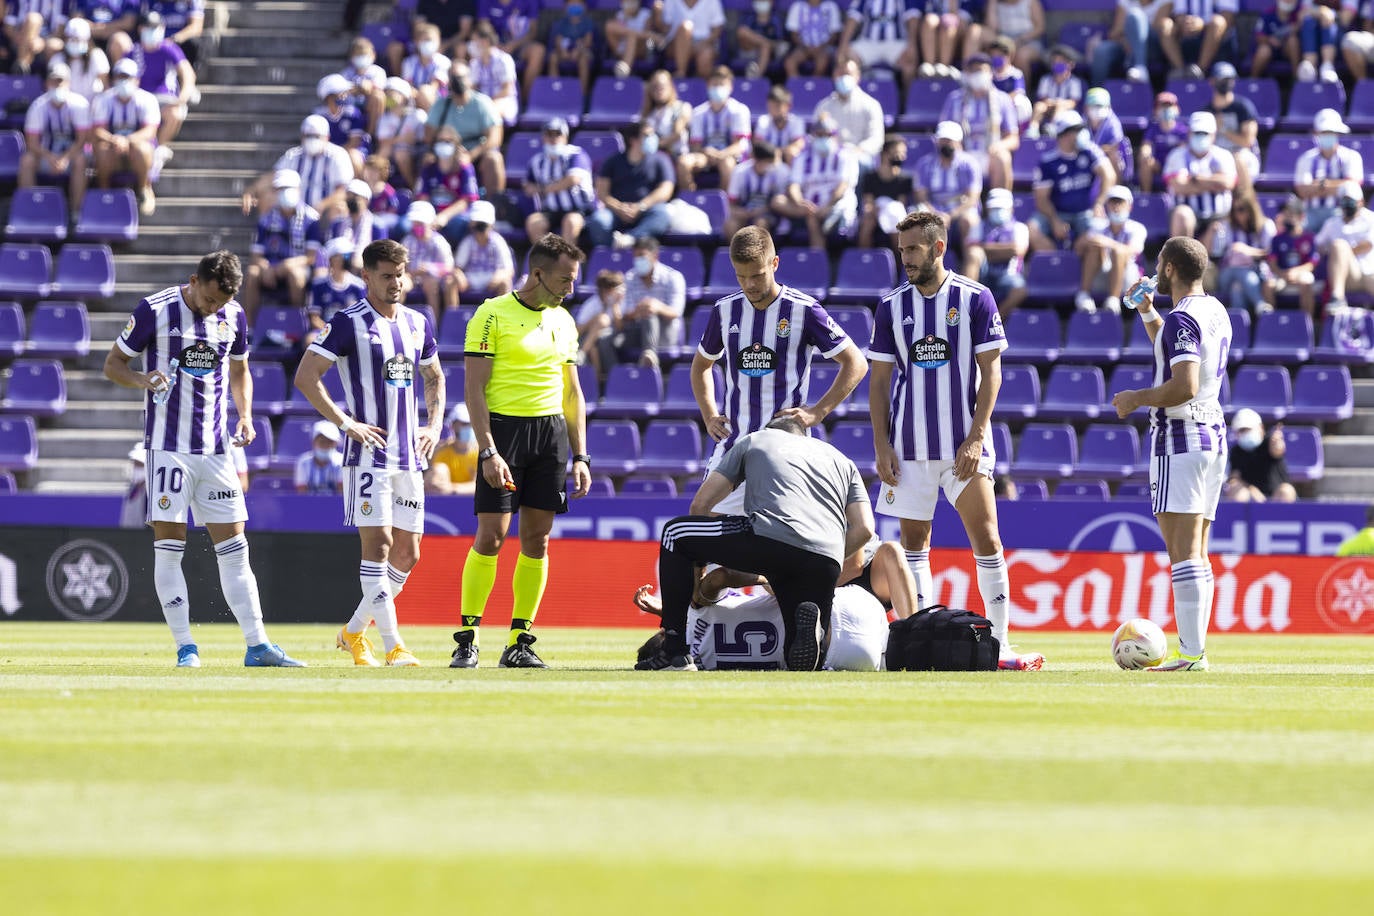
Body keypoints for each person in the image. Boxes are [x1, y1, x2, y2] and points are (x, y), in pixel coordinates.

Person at [102, 250, 304, 669]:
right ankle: (185, 648)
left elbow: (240, 371)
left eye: (222, 302)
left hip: (216, 452)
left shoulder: (234, 316)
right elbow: (113, 364)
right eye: (210, 299)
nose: (214, 308)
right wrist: (142, 378)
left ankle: (258, 645)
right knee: (170, 549)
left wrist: (246, 415)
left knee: (235, 550)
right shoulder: (154, 310)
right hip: (168, 449)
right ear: (194, 280)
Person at [868, 210, 1043, 671]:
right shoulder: (891, 307)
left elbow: (992, 373)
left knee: (986, 539)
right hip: (907, 449)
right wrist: (882, 445)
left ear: (939, 247)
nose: (904, 257)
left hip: (964, 447)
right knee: (913, 545)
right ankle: (922, 639)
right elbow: (880, 382)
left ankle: (1000, 644)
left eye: (912, 249)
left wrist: (977, 436)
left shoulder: (975, 298)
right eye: (901, 249)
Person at [294, 238, 443, 669]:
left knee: (409, 552)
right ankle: (394, 645)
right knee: (377, 547)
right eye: (386, 276)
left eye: (400, 275)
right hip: (367, 456)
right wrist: (346, 424)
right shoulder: (347, 323)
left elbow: (434, 376)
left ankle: (354, 630)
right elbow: (307, 376)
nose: (395, 283)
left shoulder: (418, 323)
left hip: (408, 457)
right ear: (367, 277)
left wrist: (432, 425)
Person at [636, 415, 877, 672]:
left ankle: (674, 652)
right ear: (803, 436)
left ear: (771, 429)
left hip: (769, 538)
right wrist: (830, 556)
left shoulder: (757, 439)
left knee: (676, 532)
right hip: (825, 558)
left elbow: (701, 505)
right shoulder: (841, 459)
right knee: (798, 650)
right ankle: (812, 645)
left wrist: (696, 576)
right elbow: (864, 529)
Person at [452, 233, 593, 670]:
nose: (571, 288)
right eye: (565, 279)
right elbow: (473, 389)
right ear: (538, 273)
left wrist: (581, 456)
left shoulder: (564, 321)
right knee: (491, 537)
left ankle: (519, 640)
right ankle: (467, 638)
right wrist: (488, 450)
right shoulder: (491, 315)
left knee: (537, 540)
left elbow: (573, 393)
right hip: (504, 435)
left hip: (549, 436)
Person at [1111, 236, 1234, 671]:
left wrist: (1135, 398)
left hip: (1179, 436)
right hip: (1213, 435)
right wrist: (1147, 312)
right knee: (1198, 551)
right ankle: (1195, 650)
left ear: (1169, 269)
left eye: (1158, 264)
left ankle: (1191, 654)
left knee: (1182, 553)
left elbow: (1182, 384)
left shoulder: (1184, 317)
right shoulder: (1214, 310)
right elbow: (1177, 348)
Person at [691, 226, 867, 517]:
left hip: (786, 450)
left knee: (774, 548)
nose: (749, 285)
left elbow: (856, 363)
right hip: (734, 445)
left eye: (757, 275)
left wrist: (818, 412)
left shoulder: (804, 310)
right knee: (701, 523)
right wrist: (709, 414)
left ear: (774, 264)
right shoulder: (725, 311)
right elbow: (701, 366)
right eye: (741, 276)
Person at [1028, 111, 1116, 269]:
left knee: (1099, 231)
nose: (1081, 133)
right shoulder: (1048, 161)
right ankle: (1057, 264)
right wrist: (1055, 221)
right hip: (1056, 212)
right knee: (1032, 229)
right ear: (1064, 134)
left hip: (1085, 212)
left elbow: (1109, 175)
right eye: (1076, 130)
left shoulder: (1090, 151)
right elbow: (1041, 199)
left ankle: (1074, 263)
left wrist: (1099, 203)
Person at [241, 115, 352, 222]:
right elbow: (272, 177)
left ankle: (331, 239)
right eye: (308, 136)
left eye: (317, 136)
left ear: (327, 137)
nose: (312, 140)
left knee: (340, 207)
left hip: (324, 211)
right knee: (267, 197)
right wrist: (251, 191)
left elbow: (342, 191)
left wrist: (320, 206)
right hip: (294, 209)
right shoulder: (293, 156)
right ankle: (268, 235)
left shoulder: (338, 155)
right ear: (302, 137)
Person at [773, 115, 860, 249]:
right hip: (808, 206)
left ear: (835, 135)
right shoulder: (803, 157)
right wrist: (800, 202)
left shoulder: (845, 156)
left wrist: (827, 206)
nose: (823, 138)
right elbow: (794, 185)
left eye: (827, 134)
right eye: (819, 135)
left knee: (812, 219)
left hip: (834, 205)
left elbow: (843, 186)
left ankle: (818, 258)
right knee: (778, 201)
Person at [244, 170, 321, 318]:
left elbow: (311, 257)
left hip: (298, 266)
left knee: (296, 275)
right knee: (253, 273)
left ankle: (297, 322)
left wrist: (287, 265)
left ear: (298, 189)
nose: (285, 192)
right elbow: (256, 254)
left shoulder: (311, 219)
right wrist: (265, 267)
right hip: (270, 267)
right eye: (281, 189)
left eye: (289, 188)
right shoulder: (265, 219)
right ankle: (250, 327)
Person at [424, 61, 506, 195]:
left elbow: (495, 137)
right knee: (427, 159)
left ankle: (495, 203)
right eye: (454, 78)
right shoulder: (441, 105)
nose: (458, 81)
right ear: (448, 81)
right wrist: (450, 150)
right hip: (448, 151)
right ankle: (429, 200)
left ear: (469, 79)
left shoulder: (481, 103)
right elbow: (429, 136)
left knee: (494, 159)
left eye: (461, 77)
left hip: (477, 151)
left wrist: (471, 154)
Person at [589, 122, 676, 249]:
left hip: (648, 210)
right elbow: (602, 192)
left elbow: (666, 190)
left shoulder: (661, 160)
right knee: (599, 221)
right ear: (633, 140)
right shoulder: (612, 161)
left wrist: (641, 206)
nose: (653, 139)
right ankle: (611, 254)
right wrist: (619, 208)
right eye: (647, 135)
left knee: (663, 214)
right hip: (616, 212)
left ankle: (629, 240)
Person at [91, 56, 160, 215]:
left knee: (142, 149)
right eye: (120, 77)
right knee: (101, 150)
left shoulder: (147, 99)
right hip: (112, 148)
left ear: (136, 80)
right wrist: (115, 140)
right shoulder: (103, 99)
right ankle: (104, 193)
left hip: (135, 149)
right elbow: (97, 130)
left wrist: (127, 140)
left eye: (127, 77)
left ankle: (144, 189)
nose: (123, 81)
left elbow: (150, 131)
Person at [939, 54, 1018, 190]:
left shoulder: (1002, 99)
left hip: (989, 153)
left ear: (990, 73)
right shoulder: (955, 99)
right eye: (973, 71)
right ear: (967, 74)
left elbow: (1013, 138)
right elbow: (944, 133)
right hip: (962, 153)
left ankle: (999, 206)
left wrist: (999, 146)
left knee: (1003, 157)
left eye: (981, 70)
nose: (978, 74)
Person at [19, 62, 90, 210]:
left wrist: (65, 158)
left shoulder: (80, 104)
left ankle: (77, 211)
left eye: (61, 81)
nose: (57, 85)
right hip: (46, 156)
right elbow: (31, 142)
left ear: (69, 83)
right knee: (27, 160)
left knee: (81, 161)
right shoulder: (38, 106)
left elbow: (82, 139)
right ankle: (30, 209)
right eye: (54, 80)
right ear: (46, 83)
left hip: (71, 156)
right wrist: (50, 157)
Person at [128, 10, 194, 158]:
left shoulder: (169, 48)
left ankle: (158, 148)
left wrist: (182, 97)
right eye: (148, 27)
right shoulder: (133, 51)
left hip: (165, 98)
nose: (152, 31)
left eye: (155, 27)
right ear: (140, 29)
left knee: (175, 112)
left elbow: (187, 73)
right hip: (140, 99)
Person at [523, 116, 597, 246]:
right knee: (533, 222)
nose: (553, 138)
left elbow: (573, 179)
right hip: (550, 210)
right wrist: (531, 188)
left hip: (578, 209)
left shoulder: (576, 155)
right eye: (549, 134)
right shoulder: (537, 161)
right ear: (543, 137)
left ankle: (567, 262)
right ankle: (547, 261)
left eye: (558, 134)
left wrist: (543, 189)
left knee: (571, 222)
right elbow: (527, 185)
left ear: (565, 137)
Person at [1164, 111, 1236, 241]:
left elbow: (1227, 183)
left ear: (1213, 135)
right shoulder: (1177, 155)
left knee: (1220, 227)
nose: (1200, 137)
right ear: (1189, 133)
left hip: (1219, 215)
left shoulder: (1223, 156)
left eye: (1205, 133)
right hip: (1190, 214)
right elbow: (1180, 187)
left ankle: (1214, 260)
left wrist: (1195, 179)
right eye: (1197, 133)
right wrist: (1214, 182)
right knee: (1182, 215)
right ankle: (1182, 260)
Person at [679, 65, 751, 192]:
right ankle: (690, 198)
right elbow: (696, 145)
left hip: (729, 156)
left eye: (722, 84)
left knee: (727, 164)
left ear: (730, 87)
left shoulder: (740, 110)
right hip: (705, 155)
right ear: (708, 86)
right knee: (684, 162)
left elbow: (739, 145)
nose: (718, 88)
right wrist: (706, 152)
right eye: (715, 84)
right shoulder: (698, 112)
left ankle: (723, 203)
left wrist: (721, 154)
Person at [1078, 184, 1147, 315]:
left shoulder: (1137, 228)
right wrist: (1089, 239)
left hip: (1128, 279)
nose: (1116, 206)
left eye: (1120, 202)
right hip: (1102, 274)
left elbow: (1133, 250)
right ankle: (1084, 294)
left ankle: (1113, 299)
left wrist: (1107, 243)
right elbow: (1078, 248)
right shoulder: (1097, 226)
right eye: (1113, 202)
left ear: (1129, 206)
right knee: (1093, 248)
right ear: (1107, 205)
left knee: (1118, 252)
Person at [1202, 191, 1274, 315]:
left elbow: (1272, 253)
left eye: (1241, 209)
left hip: (1256, 272)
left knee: (1237, 290)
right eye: (1234, 210)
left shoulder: (1266, 226)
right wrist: (1211, 232)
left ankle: (1243, 331)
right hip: (1227, 273)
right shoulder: (1226, 227)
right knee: (1239, 271)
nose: (1236, 214)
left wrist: (1247, 251)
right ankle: (1259, 304)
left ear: (1251, 209)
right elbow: (1209, 253)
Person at [619, 236, 686, 369]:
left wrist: (656, 306)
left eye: (642, 256)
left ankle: (649, 355)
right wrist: (640, 309)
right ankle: (616, 378)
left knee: (650, 313)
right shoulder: (630, 277)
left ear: (655, 256)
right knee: (607, 340)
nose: (638, 260)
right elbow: (625, 313)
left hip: (666, 333)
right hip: (637, 331)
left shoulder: (673, 277)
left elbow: (676, 312)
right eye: (636, 257)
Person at [962, 186, 1029, 317]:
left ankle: (996, 319)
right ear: (988, 208)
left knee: (1020, 290)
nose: (998, 211)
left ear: (1011, 208)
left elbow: (1017, 251)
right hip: (984, 272)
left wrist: (984, 248)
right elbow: (971, 250)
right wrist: (1004, 250)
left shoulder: (1020, 228)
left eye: (1001, 208)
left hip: (1008, 274)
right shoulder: (978, 227)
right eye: (994, 208)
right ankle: (963, 305)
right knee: (973, 255)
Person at [1294, 108, 1364, 232]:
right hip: (1310, 215)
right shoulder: (1306, 159)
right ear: (1317, 133)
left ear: (1337, 133)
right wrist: (1337, 185)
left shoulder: (1351, 156)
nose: (1327, 135)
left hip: (1340, 213)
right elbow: (1302, 190)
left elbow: (1352, 188)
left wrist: (1319, 185)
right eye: (1324, 132)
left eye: (1330, 132)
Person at [912, 120, 982, 245]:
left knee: (969, 220)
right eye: (942, 140)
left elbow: (972, 199)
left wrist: (950, 215)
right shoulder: (925, 164)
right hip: (933, 208)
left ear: (958, 141)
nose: (945, 144)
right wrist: (935, 214)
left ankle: (968, 256)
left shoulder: (970, 164)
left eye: (949, 140)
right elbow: (921, 196)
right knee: (915, 219)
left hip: (960, 209)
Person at [812, 58, 885, 170]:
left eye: (848, 74)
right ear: (834, 76)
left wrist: (857, 151)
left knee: (860, 162)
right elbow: (815, 136)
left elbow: (876, 139)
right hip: (831, 155)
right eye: (840, 74)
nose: (844, 78)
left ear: (857, 77)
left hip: (859, 155)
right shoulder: (823, 106)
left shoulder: (871, 105)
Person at [415, 125, 479, 249]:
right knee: (405, 225)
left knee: (458, 225)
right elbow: (423, 196)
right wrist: (428, 217)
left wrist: (444, 216)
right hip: (432, 212)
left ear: (456, 144)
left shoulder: (464, 168)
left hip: (455, 214)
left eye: (448, 141)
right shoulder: (428, 167)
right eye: (440, 141)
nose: (443, 144)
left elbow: (465, 201)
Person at [1316, 181, 1374, 311]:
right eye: (1344, 201)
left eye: (1351, 201)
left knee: (1340, 248)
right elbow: (1318, 245)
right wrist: (1335, 253)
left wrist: (1342, 254)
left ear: (1361, 201)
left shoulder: (1371, 219)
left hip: (1370, 273)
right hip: (1347, 276)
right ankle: (1338, 298)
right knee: (1338, 245)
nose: (1347, 204)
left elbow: (1368, 245)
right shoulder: (1332, 223)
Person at [837, 0, 920, 86]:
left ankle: (907, 98)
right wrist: (843, 45)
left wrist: (912, 45)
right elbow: (854, 17)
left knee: (909, 62)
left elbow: (912, 17)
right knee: (846, 59)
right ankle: (849, 96)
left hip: (895, 43)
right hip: (868, 43)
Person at [1222, 408, 1295, 503]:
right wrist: (1252, 490)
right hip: (1251, 499)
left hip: (1276, 497)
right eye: (1241, 430)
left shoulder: (1269, 443)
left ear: (1261, 428)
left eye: (1248, 429)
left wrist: (1277, 445)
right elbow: (1234, 478)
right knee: (1236, 490)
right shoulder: (1236, 451)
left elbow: (1277, 450)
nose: (1245, 433)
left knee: (1286, 491)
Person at [857, 133, 916, 250]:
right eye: (897, 153)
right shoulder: (870, 178)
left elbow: (901, 203)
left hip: (895, 216)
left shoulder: (905, 179)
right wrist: (874, 210)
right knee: (867, 223)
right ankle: (865, 260)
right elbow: (868, 203)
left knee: (897, 224)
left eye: (903, 153)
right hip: (875, 214)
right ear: (885, 154)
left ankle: (900, 265)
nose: (901, 157)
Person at [1206, 62, 1258, 192]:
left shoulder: (1243, 107)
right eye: (1223, 79)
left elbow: (1247, 141)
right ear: (1212, 81)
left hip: (1241, 156)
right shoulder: (1207, 111)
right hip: (1215, 157)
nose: (1227, 83)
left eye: (1230, 79)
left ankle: (1246, 201)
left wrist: (1223, 129)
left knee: (1238, 159)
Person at [307, 237, 367, 345]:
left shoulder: (358, 286)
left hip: (351, 331)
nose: (349, 258)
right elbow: (314, 318)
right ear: (332, 259)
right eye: (345, 255)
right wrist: (331, 331)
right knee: (310, 339)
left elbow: (363, 316)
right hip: (325, 330)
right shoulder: (319, 284)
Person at [1157, 0, 1238, 80]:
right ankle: (1180, 70)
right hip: (1186, 40)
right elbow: (1179, 14)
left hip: (1219, 50)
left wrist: (1202, 24)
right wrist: (1187, 23)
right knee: (1166, 25)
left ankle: (1200, 72)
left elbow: (1228, 17)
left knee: (1217, 22)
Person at [401, 199, 458, 311]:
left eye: (420, 223)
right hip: (412, 278)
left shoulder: (439, 241)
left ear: (430, 223)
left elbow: (448, 267)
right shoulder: (408, 240)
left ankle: (434, 325)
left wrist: (429, 268)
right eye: (415, 223)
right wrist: (411, 273)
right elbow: (402, 266)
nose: (417, 226)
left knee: (431, 283)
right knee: (399, 283)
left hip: (434, 280)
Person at [725, 139, 790, 237]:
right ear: (755, 160)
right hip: (745, 211)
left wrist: (761, 211)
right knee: (731, 224)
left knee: (760, 225)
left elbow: (781, 201)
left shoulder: (781, 171)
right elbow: (731, 204)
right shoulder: (740, 172)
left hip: (769, 214)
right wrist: (741, 212)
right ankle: (735, 251)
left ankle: (758, 252)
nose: (768, 166)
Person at [453, 199, 514, 302]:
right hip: (470, 279)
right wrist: (459, 275)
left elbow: (508, 270)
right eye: (476, 226)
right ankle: (453, 316)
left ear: (490, 225)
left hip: (491, 278)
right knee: (450, 282)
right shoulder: (468, 241)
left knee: (505, 282)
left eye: (482, 226)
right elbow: (457, 267)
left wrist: (499, 276)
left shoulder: (498, 241)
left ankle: (501, 317)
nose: (479, 231)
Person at [1267, 195, 1318, 314]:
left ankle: (1307, 322)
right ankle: (1270, 321)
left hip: (1301, 273)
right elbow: (1272, 263)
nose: (1288, 218)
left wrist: (1295, 272)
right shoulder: (1277, 239)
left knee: (1306, 281)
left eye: (1291, 214)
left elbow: (1312, 264)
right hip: (1281, 275)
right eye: (1286, 214)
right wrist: (1283, 274)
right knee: (1268, 284)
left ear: (1301, 217)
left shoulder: (1309, 238)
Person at [658, 0, 726, 77]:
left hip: (704, 43)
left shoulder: (712, 1)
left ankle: (699, 86)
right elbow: (665, 29)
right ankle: (681, 73)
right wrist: (657, 17)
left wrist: (701, 44)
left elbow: (717, 30)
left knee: (705, 56)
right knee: (686, 27)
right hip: (676, 44)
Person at [468, 22, 518, 127]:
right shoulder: (475, 63)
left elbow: (507, 90)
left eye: (474, 41)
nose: (472, 44)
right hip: (481, 104)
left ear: (485, 41)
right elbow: (471, 88)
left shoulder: (504, 59)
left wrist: (487, 102)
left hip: (504, 102)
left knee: (488, 112)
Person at [1090, 0, 1153, 84]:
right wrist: (1127, 39)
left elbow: (1159, 30)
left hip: (1151, 47)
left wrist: (1135, 39)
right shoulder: (1125, 2)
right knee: (1101, 51)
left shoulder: (1164, 2)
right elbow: (1114, 33)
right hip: (1124, 44)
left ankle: (1140, 66)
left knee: (1135, 16)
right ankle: (1096, 91)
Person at [1137, 91, 1186, 195]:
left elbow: (1183, 151)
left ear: (1177, 109)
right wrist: (1145, 154)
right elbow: (1146, 146)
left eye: (1170, 106)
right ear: (1156, 110)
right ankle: (1146, 197)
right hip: (1158, 165)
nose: (1166, 110)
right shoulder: (1153, 129)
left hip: (1175, 165)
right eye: (1162, 106)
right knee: (1145, 163)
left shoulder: (1182, 130)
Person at [425, 403, 479, 496]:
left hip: (471, 504)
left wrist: (452, 489)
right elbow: (430, 483)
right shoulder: (440, 451)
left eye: (472, 424)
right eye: (464, 424)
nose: (469, 427)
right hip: (443, 503)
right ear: (453, 425)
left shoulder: (481, 453)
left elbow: (479, 486)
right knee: (439, 469)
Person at [50, 18, 108, 101]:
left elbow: (105, 86)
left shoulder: (97, 55)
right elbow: (52, 86)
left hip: (92, 106)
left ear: (87, 40)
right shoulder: (58, 59)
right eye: (71, 39)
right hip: (67, 107)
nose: (74, 42)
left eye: (78, 39)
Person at [784, 0, 844, 79]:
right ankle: (797, 88)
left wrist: (820, 48)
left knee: (822, 62)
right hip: (803, 47)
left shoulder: (831, 6)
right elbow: (794, 33)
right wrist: (806, 47)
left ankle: (813, 87)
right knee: (789, 63)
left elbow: (834, 34)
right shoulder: (797, 6)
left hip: (824, 48)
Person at [545, 0, 597, 91]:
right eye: (572, 3)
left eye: (578, 3)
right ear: (565, 6)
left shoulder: (587, 22)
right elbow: (558, 40)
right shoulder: (562, 22)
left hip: (582, 51)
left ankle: (582, 93)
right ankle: (555, 88)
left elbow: (588, 41)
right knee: (553, 57)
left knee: (583, 59)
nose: (574, 6)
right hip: (564, 51)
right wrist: (562, 51)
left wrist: (578, 50)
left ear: (584, 6)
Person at [604, 0, 662, 78]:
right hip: (621, 49)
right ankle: (625, 65)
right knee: (610, 26)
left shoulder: (646, 15)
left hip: (640, 49)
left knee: (632, 37)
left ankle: (625, 69)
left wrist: (634, 34)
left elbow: (647, 38)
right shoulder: (620, 15)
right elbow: (617, 32)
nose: (630, 4)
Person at [753, 84, 806, 165]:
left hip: (786, 156)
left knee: (792, 152)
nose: (773, 110)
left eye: (777, 106)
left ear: (788, 106)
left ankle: (791, 178)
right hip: (767, 157)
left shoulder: (796, 121)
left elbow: (799, 144)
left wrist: (779, 152)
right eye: (771, 106)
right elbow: (758, 144)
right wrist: (774, 154)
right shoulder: (763, 120)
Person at [735, 0, 787, 78]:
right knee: (743, 31)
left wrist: (765, 44)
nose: (761, 2)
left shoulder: (776, 19)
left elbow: (779, 42)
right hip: (750, 50)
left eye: (764, 1)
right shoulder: (749, 17)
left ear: (771, 2)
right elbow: (742, 34)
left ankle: (756, 78)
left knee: (765, 47)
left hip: (771, 52)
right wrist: (761, 41)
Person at [295, 419, 345, 495]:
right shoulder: (303, 462)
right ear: (313, 442)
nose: (326, 445)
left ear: (335, 443)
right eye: (322, 441)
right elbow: (302, 494)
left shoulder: (342, 461)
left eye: (330, 441)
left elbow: (342, 494)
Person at [119, 442, 147, 529]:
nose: (136, 467)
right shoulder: (133, 487)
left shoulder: (155, 494)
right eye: (135, 463)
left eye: (140, 464)